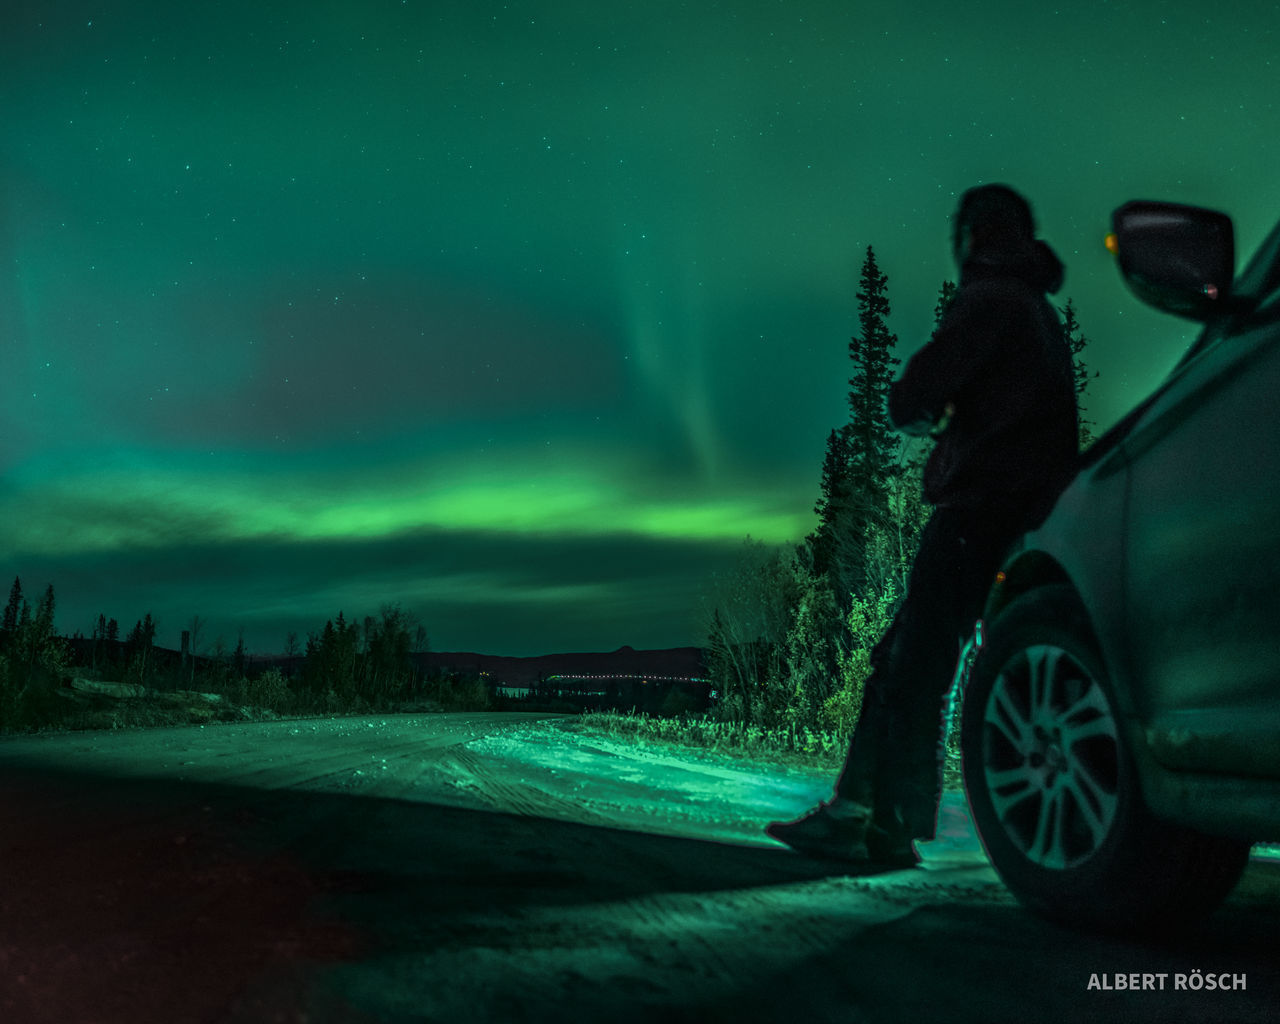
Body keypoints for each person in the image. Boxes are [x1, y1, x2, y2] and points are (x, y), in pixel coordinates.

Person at [768, 184, 1079, 866]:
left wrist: (927, 414)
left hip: (978, 509)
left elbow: (914, 394)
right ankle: (880, 819)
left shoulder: (989, 302)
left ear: (972, 236)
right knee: (916, 658)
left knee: (913, 662)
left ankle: (874, 821)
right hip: (1031, 517)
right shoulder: (1036, 313)